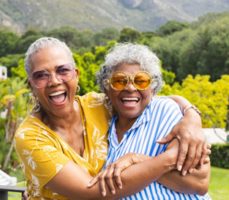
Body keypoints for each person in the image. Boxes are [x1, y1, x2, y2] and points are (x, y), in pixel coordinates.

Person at [14, 37, 209, 200]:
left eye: (62, 70)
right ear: (31, 85)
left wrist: (191, 114)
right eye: (42, 75)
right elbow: (91, 192)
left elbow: (143, 98)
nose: (55, 81)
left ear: (75, 75)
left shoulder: (97, 105)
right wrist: (165, 160)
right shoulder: (30, 136)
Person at [88, 42, 211, 199]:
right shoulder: (104, 130)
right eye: (119, 80)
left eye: (141, 81)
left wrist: (137, 160)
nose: (130, 88)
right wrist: (153, 166)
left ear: (152, 88)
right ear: (107, 88)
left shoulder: (164, 110)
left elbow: (199, 183)